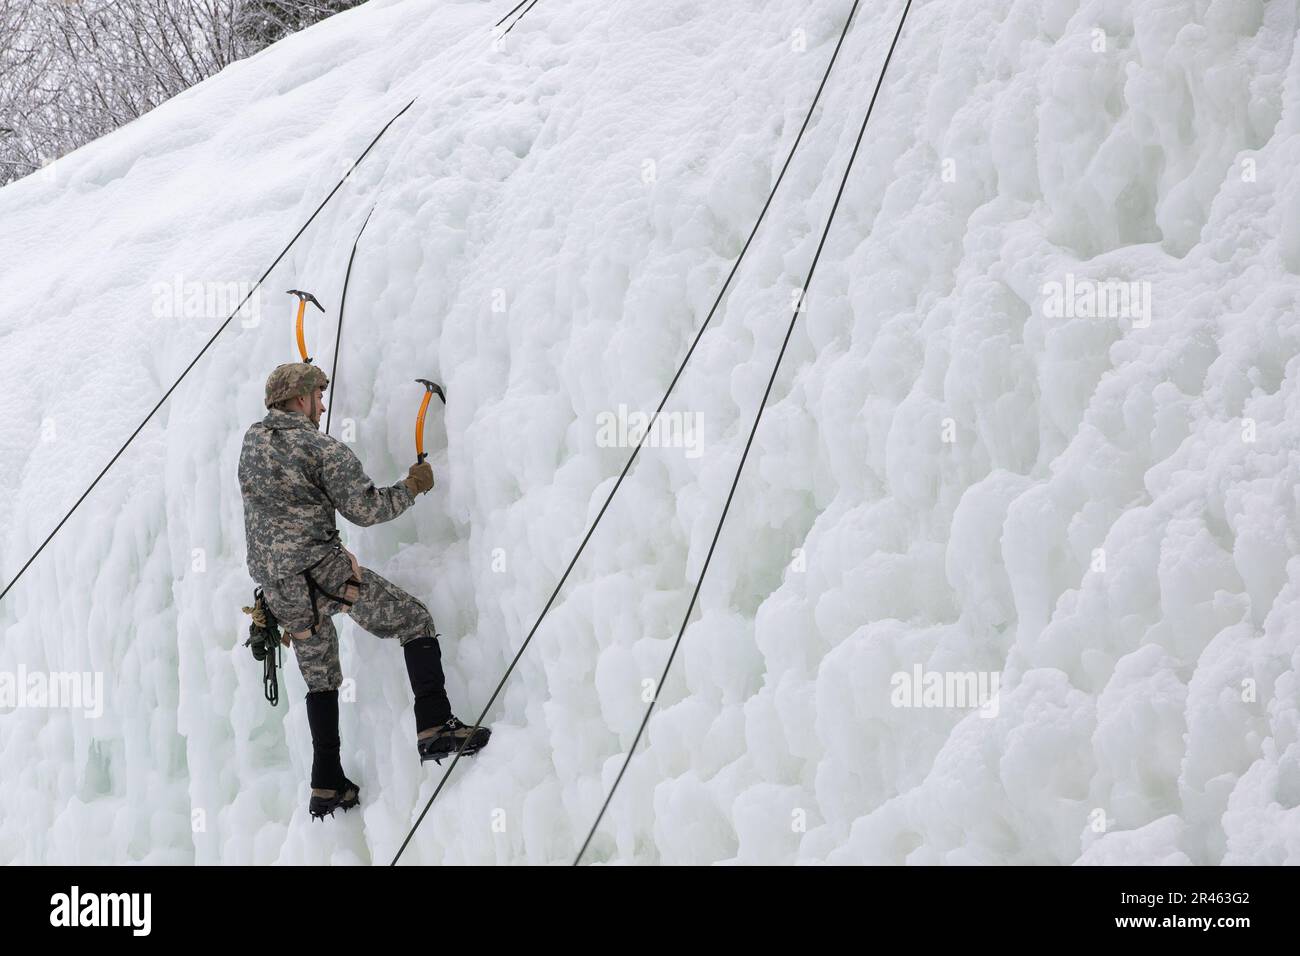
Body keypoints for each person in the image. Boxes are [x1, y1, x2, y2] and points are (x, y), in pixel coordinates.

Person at [237, 362, 489, 820]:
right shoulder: (321, 448)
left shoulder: (251, 442)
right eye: (316, 395)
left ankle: (326, 782)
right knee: (414, 620)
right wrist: (413, 486)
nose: (322, 403)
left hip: (280, 593)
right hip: (325, 575)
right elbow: (367, 509)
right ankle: (435, 725)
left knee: (321, 679)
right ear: (298, 399)